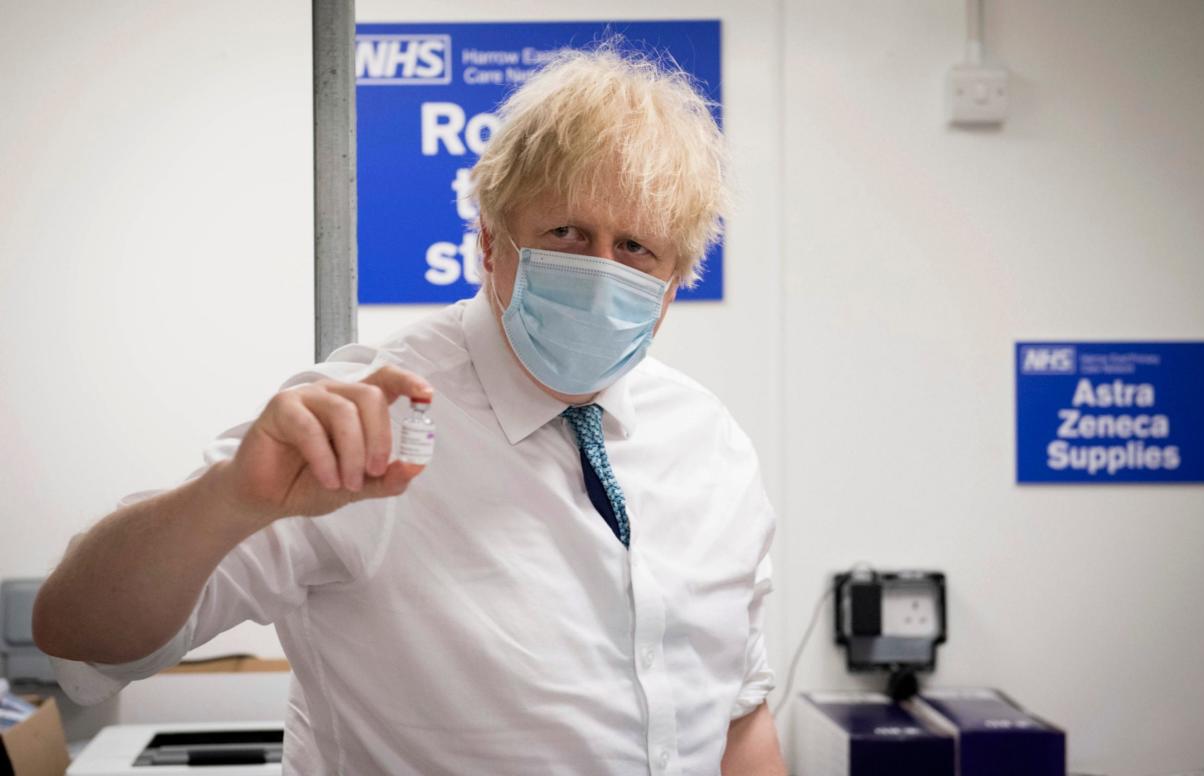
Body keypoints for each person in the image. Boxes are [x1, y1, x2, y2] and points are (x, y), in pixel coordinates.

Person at [34, 45, 785, 775]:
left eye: (635, 249)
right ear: (491, 242)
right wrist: (227, 500)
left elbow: (739, 720)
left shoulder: (710, 447)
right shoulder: (361, 423)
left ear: (675, 280)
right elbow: (78, 636)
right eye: (566, 233)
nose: (598, 271)